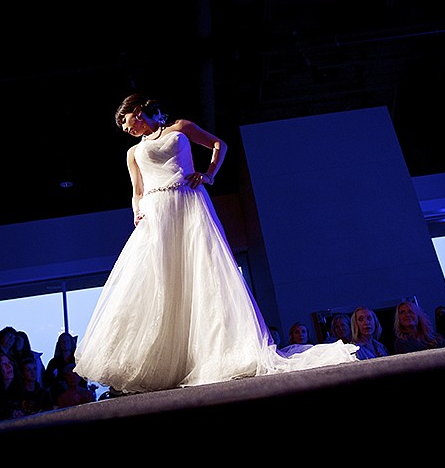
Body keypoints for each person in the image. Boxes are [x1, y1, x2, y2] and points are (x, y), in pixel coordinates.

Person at [73, 93, 358, 394]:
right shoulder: (133, 152)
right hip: (156, 212)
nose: (124, 128)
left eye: (124, 121)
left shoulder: (180, 128)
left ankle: (213, 354)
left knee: (201, 271)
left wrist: (208, 174)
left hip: (189, 201)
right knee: (159, 280)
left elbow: (219, 145)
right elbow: (137, 190)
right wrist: (137, 212)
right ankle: (166, 361)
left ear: (135, 111)